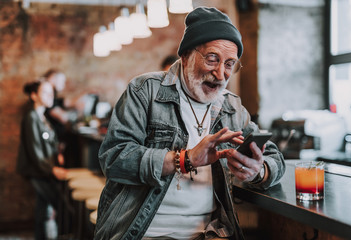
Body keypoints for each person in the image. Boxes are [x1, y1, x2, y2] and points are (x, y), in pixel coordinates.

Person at [94, 7, 285, 240]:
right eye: (212, 59)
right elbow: (114, 158)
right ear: (185, 56)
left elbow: (275, 158)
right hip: (144, 232)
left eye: (229, 64)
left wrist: (259, 171)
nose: (220, 73)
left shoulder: (231, 107)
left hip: (209, 233)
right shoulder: (145, 91)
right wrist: (185, 159)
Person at [17, 80, 68, 240]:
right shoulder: (31, 117)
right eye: (45, 92)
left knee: (43, 206)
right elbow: (35, 151)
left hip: (43, 169)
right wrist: (52, 169)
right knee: (58, 204)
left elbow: (48, 142)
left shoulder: (42, 116)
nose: (51, 95)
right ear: (34, 96)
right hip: (37, 170)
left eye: (51, 92)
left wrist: (57, 152)